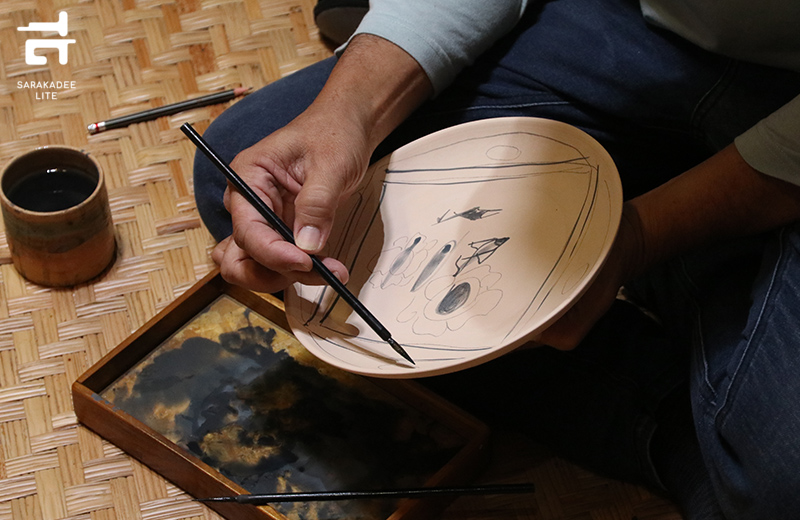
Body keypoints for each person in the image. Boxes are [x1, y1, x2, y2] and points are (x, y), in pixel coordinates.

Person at [192, 1, 800, 518]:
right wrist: (346, 113)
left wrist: (642, 236)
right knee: (259, 183)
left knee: (780, 483)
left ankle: (697, 265)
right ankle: (674, 407)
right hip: (627, 22)